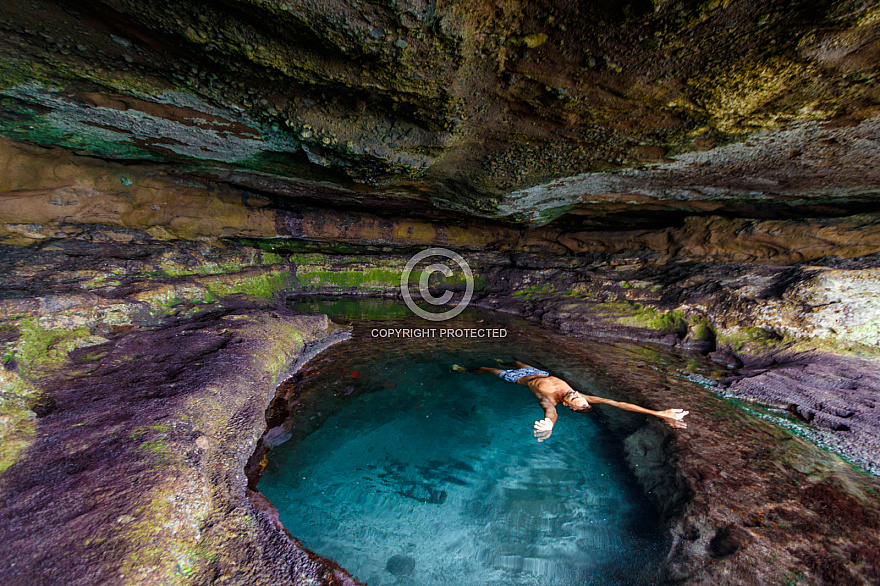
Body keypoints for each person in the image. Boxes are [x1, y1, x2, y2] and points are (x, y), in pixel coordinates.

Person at [452, 359, 689, 442]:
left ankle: (466, 371)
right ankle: (505, 361)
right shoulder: (580, 396)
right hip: (539, 373)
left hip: (518, 380)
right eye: (580, 397)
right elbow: (619, 404)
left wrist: (549, 425)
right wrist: (660, 413)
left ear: (569, 407)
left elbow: (549, 413)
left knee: (485, 368)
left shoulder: (551, 401)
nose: (577, 396)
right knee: (515, 361)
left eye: (577, 401)